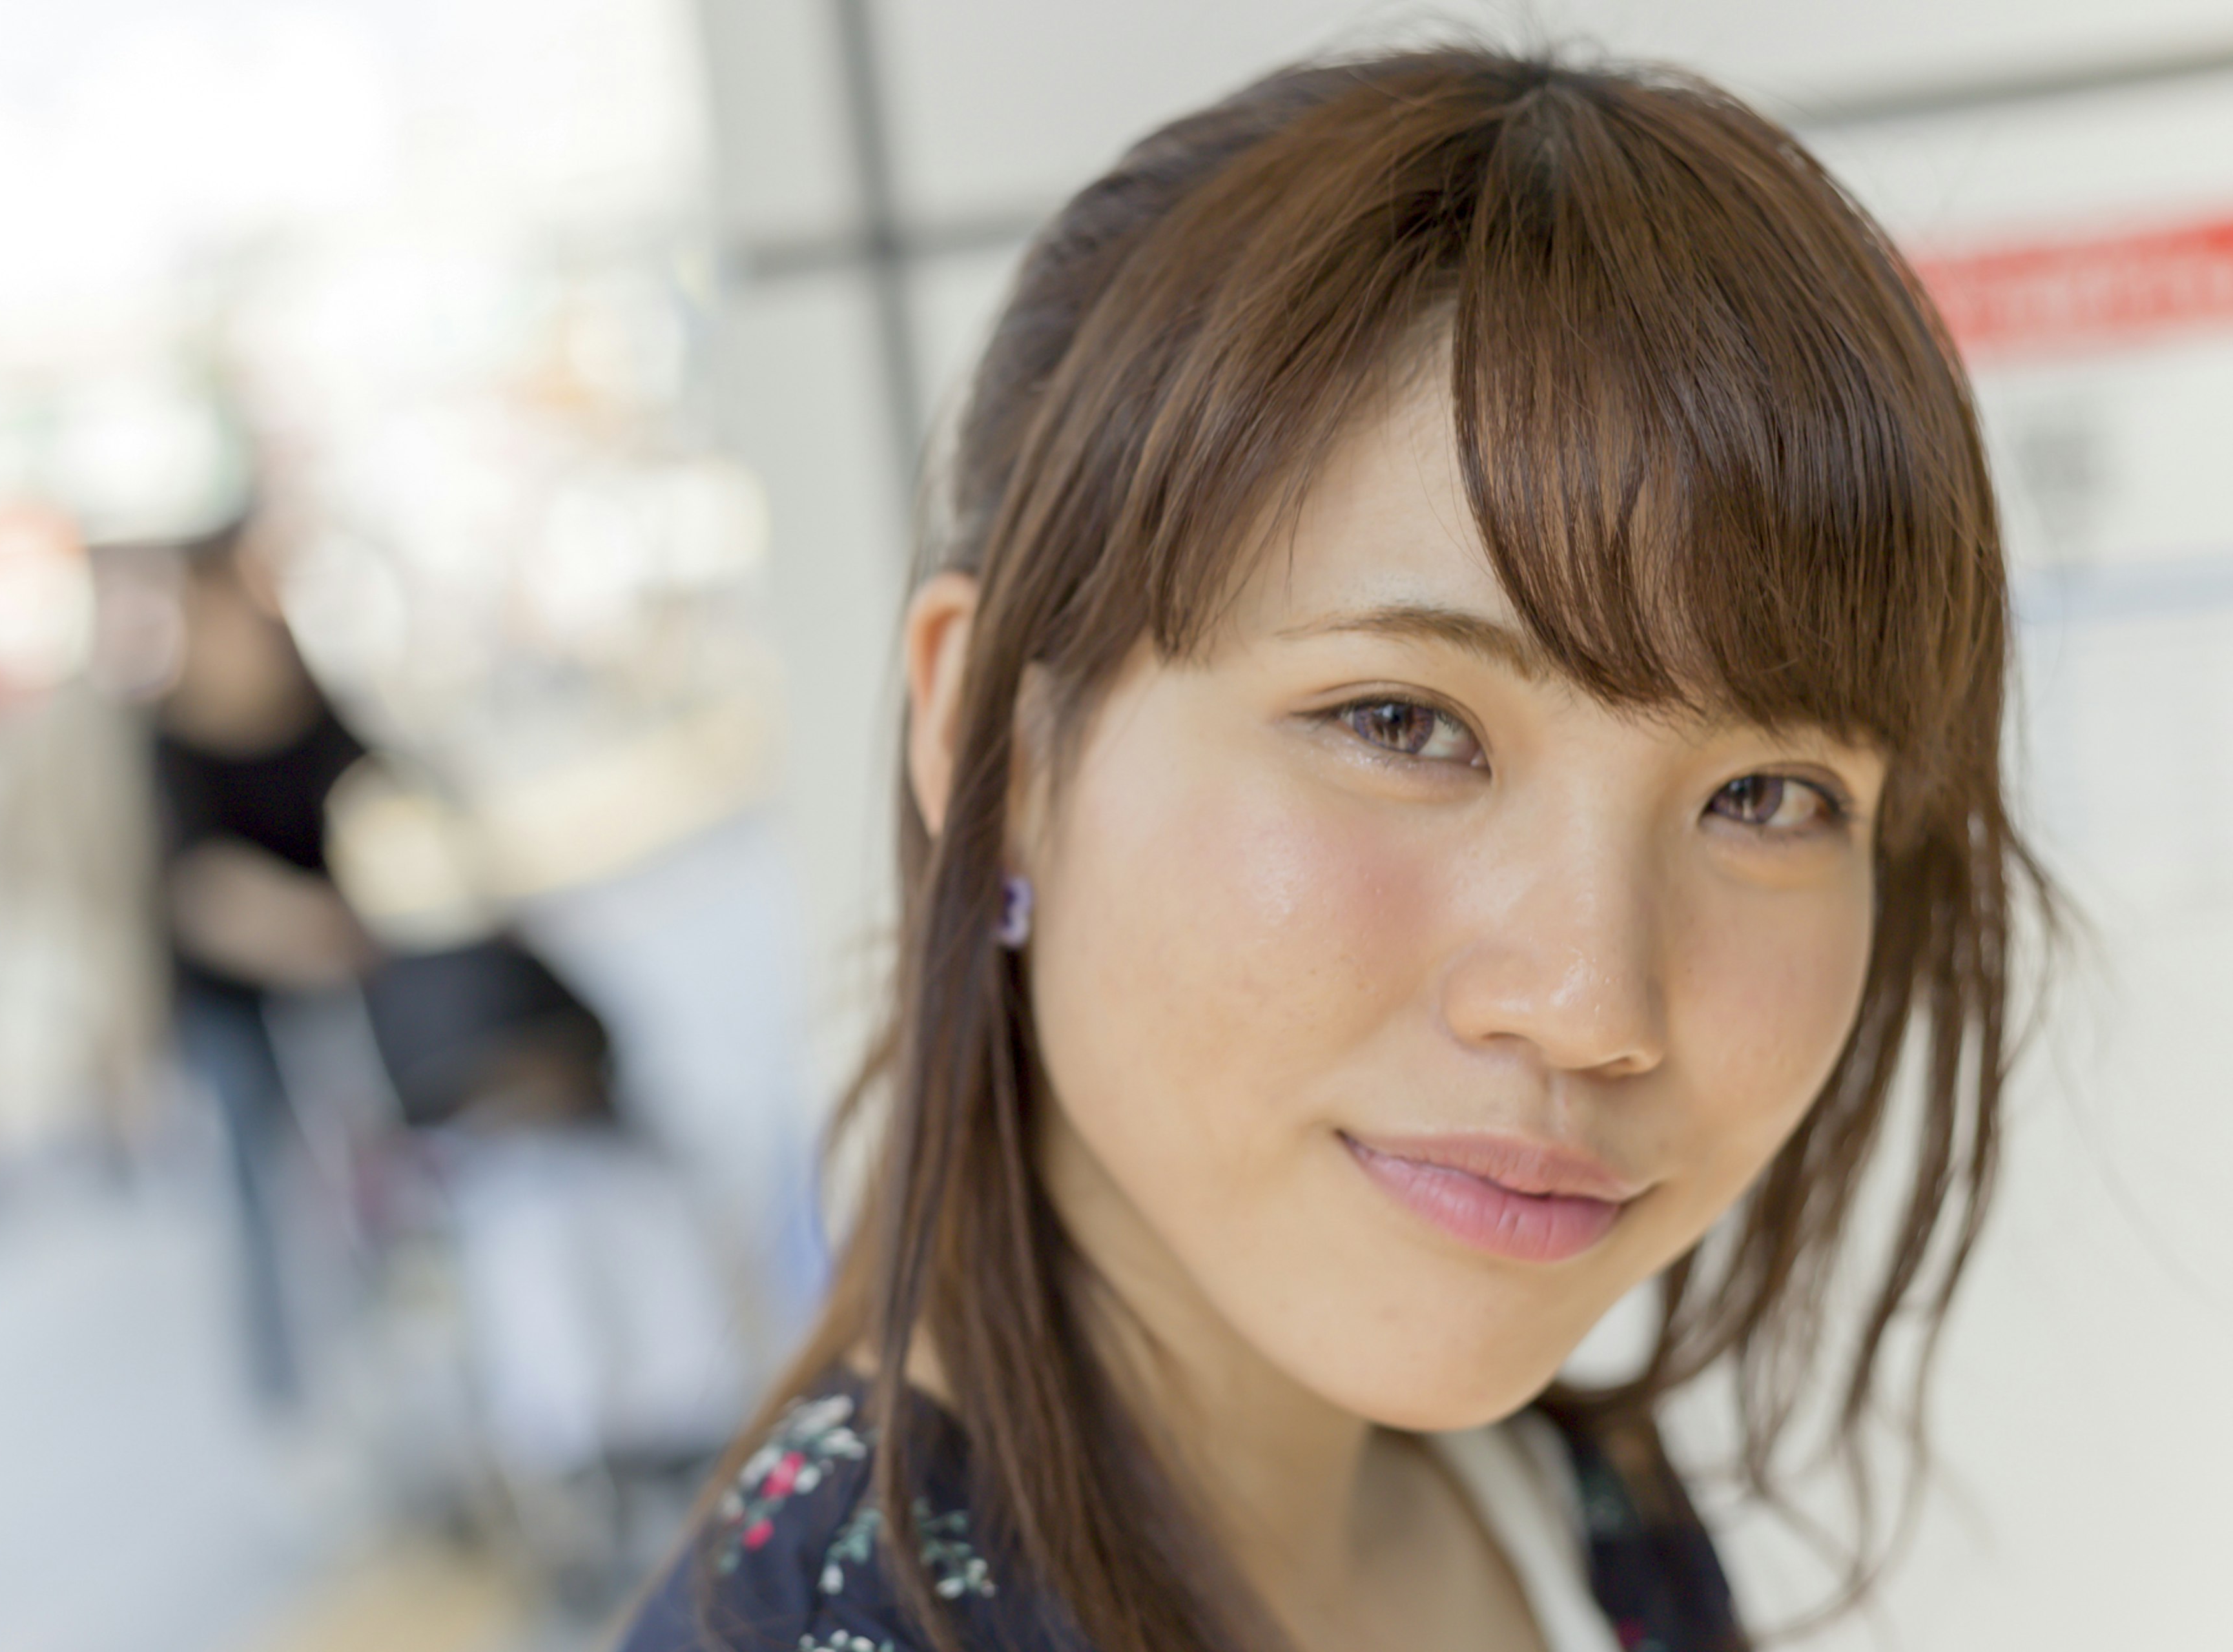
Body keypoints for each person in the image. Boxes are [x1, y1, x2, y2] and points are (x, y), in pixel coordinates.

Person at [617, 45, 2052, 1652]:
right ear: (991, 744)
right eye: (1400, 722)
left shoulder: (1574, 1513)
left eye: (1767, 795)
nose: (1588, 1000)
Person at [152, 518, 376, 1409]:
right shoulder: (173, 734)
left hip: (334, 981)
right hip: (233, 996)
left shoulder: (307, 697)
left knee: (364, 1177)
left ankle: (378, 1362)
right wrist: (300, 923)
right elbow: (193, 885)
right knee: (266, 1192)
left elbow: (383, 791)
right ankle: (290, 1396)